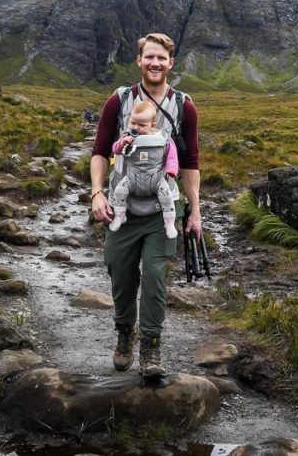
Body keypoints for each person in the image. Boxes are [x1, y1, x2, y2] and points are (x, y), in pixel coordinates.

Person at [90, 32, 202, 379]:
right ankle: (125, 332)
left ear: (171, 63)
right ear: (139, 61)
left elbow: (191, 161)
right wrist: (96, 193)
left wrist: (195, 211)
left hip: (161, 212)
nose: (155, 63)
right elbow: (98, 151)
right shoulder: (119, 101)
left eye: (162, 58)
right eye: (149, 57)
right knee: (120, 275)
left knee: (154, 275)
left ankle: (151, 348)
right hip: (121, 210)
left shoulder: (184, 106)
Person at [109, 100, 180, 237]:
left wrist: (172, 170)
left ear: (152, 125)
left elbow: (172, 155)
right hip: (132, 176)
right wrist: (123, 142)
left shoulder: (162, 138)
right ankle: (120, 215)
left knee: (167, 196)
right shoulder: (127, 136)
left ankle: (169, 223)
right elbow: (115, 149)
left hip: (156, 178)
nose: (136, 127)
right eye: (133, 123)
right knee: (119, 191)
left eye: (141, 125)